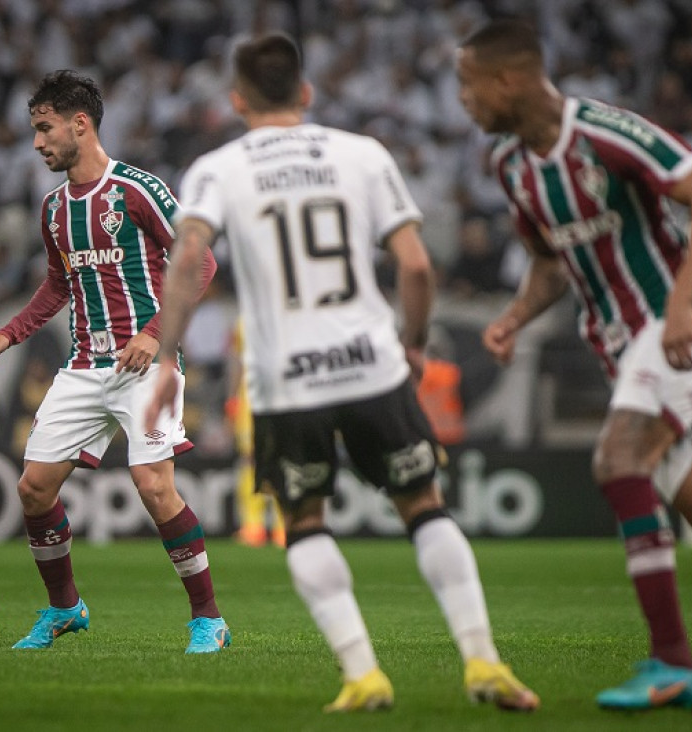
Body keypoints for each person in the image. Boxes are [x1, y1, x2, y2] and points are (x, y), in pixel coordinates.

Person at [147, 33, 538, 713]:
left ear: (237, 99)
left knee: (304, 521)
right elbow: (415, 266)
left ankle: (363, 675)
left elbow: (187, 264)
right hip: (371, 366)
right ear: (306, 93)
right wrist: (413, 346)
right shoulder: (362, 155)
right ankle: (483, 662)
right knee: (425, 507)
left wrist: (162, 360)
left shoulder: (217, 168)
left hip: (286, 379)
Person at [455, 18, 692, 713]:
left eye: (468, 86)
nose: (463, 102)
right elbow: (548, 261)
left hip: (681, 332)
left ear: (507, 80)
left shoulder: (606, 133)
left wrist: (682, 304)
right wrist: (512, 318)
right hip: (627, 353)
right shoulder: (512, 167)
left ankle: (673, 664)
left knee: (619, 460)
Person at [0, 70, 228, 654]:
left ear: (79, 124)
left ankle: (208, 618)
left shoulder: (137, 190)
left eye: (44, 129)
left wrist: (157, 333)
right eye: (34, 130)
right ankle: (65, 609)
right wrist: (8, 335)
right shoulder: (54, 209)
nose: (37, 143)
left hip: (148, 366)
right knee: (34, 490)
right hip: (85, 364)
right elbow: (58, 286)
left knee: (154, 487)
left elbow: (201, 265)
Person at [225, 320, 284, 548]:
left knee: (281, 457)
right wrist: (232, 399)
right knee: (251, 461)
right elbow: (236, 362)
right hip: (250, 397)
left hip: (281, 396)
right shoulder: (243, 321)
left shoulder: (284, 315)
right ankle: (253, 526)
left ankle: (283, 525)